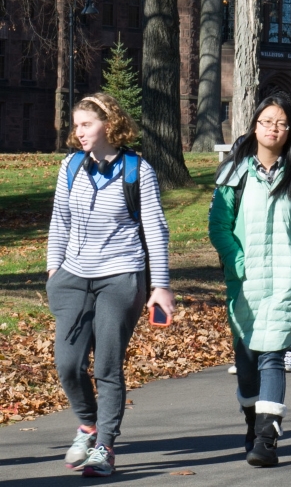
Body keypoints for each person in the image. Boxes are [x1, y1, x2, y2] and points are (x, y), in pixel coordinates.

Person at [46, 92, 176, 477]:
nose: (79, 132)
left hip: (120, 276)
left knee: (106, 364)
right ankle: (87, 424)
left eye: (86, 124)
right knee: (68, 364)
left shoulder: (137, 170)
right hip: (72, 277)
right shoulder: (70, 166)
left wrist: (161, 285)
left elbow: (155, 230)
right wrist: (54, 269)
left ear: (109, 124)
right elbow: (59, 222)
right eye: (76, 125)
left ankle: (104, 445)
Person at [209, 94, 291, 467]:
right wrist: (236, 260)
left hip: (285, 283)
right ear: (255, 127)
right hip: (244, 281)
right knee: (246, 363)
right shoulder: (234, 173)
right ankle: (253, 420)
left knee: (273, 356)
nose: (273, 128)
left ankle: (267, 437)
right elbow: (219, 226)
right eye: (266, 121)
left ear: (290, 130)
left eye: (281, 123)